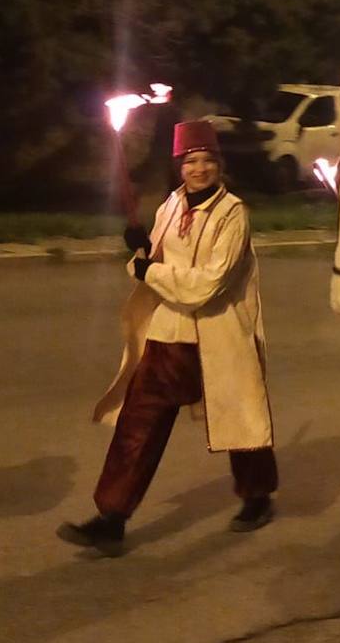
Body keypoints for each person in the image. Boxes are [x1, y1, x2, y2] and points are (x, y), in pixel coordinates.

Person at [57, 121, 278, 557]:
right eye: (191, 162)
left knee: (239, 421)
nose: (199, 170)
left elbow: (207, 285)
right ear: (180, 167)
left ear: (219, 165)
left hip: (219, 335)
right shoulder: (172, 205)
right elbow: (148, 270)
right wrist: (138, 251)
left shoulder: (234, 214)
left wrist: (149, 270)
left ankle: (257, 497)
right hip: (169, 334)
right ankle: (112, 518)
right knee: (136, 426)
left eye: (207, 161)